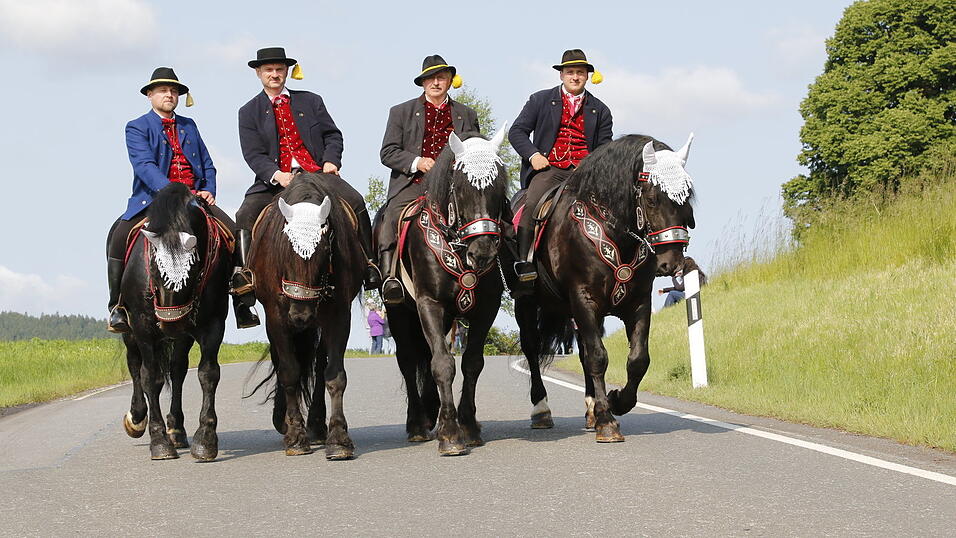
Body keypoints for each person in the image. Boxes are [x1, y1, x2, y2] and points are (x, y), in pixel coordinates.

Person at [106, 67, 254, 332]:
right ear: (150, 95)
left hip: (196, 200)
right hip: (153, 200)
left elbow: (207, 164)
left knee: (234, 233)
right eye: (163, 90)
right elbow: (144, 166)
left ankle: (242, 302)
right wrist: (173, 192)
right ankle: (117, 306)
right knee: (119, 235)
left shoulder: (189, 126)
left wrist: (209, 189)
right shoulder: (136, 127)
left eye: (174, 91)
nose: (169, 95)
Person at [233, 46, 382, 308]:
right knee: (244, 214)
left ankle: (370, 265)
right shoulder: (248, 111)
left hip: (317, 174)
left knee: (356, 200)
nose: (275, 74)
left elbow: (332, 135)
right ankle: (245, 277)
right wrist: (277, 175)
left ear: (287, 71)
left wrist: (330, 162)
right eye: (269, 70)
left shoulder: (311, 101)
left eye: (280, 69)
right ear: (258, 73)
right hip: (275, 180)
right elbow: (252, 153)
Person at [377, 54, 480, 304]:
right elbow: (387, 152)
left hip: (455, 188)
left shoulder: (466, 114)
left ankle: (505, 269)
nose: (436, 82)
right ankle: (388, 275)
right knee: (390, 217)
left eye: (441, 77)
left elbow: (475, 150)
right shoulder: (400, 112)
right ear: (423, 83)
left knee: (492, 213)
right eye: (430, 78)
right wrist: (418, 162)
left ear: (450, 81)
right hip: (414, 185)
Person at [509, 49, 614, 283]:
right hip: (550, 170)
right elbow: (517, 132)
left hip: (585, 175)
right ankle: (524, 263)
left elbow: (605, 148)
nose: (575, 77)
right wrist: (533, 155)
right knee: (532, 205)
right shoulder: (540, 100)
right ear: (561, 75)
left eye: (579, 72)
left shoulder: (601, 110)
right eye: (570, 72)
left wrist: (589, 166)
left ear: (587, 76)